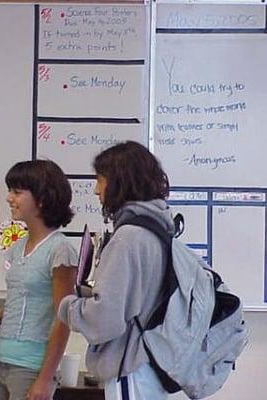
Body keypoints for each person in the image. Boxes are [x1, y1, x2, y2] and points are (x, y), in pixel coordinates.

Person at [58, 141, 173, 400]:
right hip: (150, 364)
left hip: (129, 366)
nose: (97, 190)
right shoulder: (157, 230)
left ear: (119, 182)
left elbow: (105, 320)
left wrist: (68, 307)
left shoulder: (127, 238)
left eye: (100, 180)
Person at [0, 159, 78, 400]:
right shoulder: (18, 246)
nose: (9, 198)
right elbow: (22, 297)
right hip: (1, 360)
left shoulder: (60, 250)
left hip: (31, 366)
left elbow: (63, 319)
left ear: (42, 199)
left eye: (17, 192)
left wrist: (44, 379)